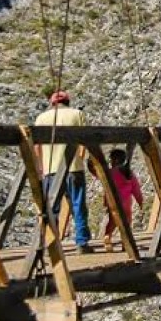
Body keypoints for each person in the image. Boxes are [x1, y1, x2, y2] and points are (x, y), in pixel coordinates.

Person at [34, 90, 93, 254]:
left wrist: (41, 167)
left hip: (50, 169)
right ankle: (82, 243)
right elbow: (87, 139)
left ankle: (51, 245)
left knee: (51, 209)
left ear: (52, 103)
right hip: (74, 167)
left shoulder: (41, 118)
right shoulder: (77, 114)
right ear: (68, 101)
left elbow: (36, 146)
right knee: (78, 205)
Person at [103, 149, 144, 253]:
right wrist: (140, 201)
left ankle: (107, 236)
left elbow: (105, 187)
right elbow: (136, 189)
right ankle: (125, 243)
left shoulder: (110, 173)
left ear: (114, 160)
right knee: (126, 223)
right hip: (126, 203)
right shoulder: (129, 173)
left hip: (112, 202)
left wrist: (105, 202)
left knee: (112, 222)